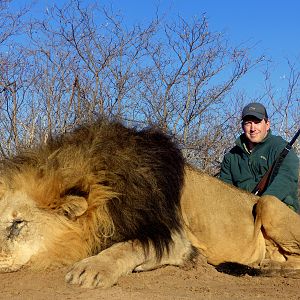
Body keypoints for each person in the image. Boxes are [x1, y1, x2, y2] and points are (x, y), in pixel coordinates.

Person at [219, 102, 299, 212]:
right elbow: (224, 190)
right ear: (243, 126)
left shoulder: (281, 148)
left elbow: (287, 178)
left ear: (267, 124)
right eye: (248, 123)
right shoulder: (231, 157)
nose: (253, 128)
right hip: (241, 214)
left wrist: (264, 204)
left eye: (257, 122)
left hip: (280, 210)